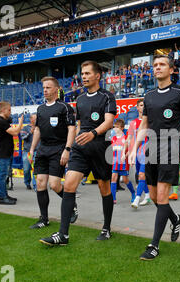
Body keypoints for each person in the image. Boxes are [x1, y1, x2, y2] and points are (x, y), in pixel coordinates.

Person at [129, 55, 180, 260]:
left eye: (162, 65)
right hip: (151, 148)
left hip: (170, 147)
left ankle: (154, 245)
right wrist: (135, 148)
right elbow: (144, 126)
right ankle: (175, 218)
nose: (157, 68)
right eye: (155, 65)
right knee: (153, 198)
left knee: (161, 197)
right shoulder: (149, 95)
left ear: (171, 70)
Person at [40, 61, 116, 246]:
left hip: (101, 146)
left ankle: (106, 228)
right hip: (81, 148)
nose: (84, 76)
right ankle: (63, 235)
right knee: (69, 186)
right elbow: (79, 125)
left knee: (104, 189)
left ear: (97, 76)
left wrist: (93, 134)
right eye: (82, 73)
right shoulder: (80, 99)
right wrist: (76, 141)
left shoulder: (107, 97)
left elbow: (109, 122)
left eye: (88, 73)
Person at [29, 76, 77, 229]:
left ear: (56, 89)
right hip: (43, 149)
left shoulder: (65, 107)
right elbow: (37, 130)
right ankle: (44, 218)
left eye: (48, 87)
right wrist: (32, 149)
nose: (45, 90)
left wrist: (67, 149)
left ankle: (72, 203)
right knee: (40, 183)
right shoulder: (40, 109)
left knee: (54, 185)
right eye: (43, 87)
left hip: (58, 149)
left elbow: (72, 129)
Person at [0, 101, 24, 205]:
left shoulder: (2, 120)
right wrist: (20, 122)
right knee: (2, 176)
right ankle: (2, 198)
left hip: (6, 152)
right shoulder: (0, 121)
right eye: (9, 110)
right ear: (3, 110)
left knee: (4, 176)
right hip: (2, 153)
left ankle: (5, 195)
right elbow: (15, 132)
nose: (11, 112)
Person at [128, 99, 151, 208]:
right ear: (137, 108)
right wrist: (126, 152)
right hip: (137, 153)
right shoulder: (133, 123)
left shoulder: (150, 122)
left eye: (144, 105)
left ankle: (137, 199)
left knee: (141, 175)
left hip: (148, 152)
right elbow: (130, 138)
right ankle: (147, 195)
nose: (143, 107)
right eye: (141, 105)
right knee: (140, 175)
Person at [110, 118, 136, 205]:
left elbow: (130, 150)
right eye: (114, 127)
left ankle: (133, 193)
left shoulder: (125, 138)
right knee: (113, 178)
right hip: (115, 162)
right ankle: (113, 198)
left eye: (117, 127)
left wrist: (126, 155)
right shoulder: (113, 138)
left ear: (122, 128)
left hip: (122, 163)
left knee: (125, 180)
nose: (115, 129)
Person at [20, 113, 37, 190]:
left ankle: (35, 185)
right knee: (26, 169)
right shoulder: (25, 128)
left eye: (37, 118)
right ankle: (27, 182)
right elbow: (23, 137)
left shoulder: (40, 128)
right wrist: (30, 132)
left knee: (36, 169)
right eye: (34, 118)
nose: (36, 120)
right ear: (31, 119)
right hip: (27, 151)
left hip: (37, 151)